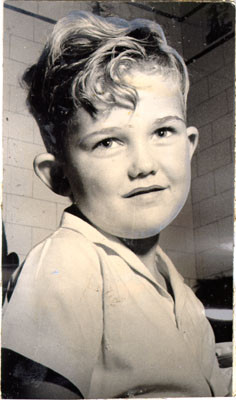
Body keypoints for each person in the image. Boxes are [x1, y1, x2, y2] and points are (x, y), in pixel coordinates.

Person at [2, 11, 229, 399]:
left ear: (189, 146)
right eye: (108, 142)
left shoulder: (183, 295)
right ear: (59, 175)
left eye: (162, 131)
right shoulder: (68, 263)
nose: (144, 165)